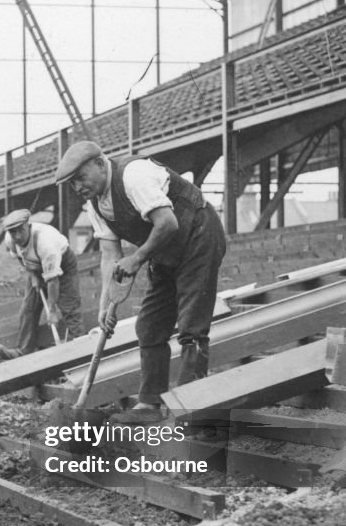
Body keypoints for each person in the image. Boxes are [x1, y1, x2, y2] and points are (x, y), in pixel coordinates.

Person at [54, 141, 226, 424]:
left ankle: (189, 411)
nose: (78, 188)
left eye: (81, 178)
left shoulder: (133, 176)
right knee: (148, 327)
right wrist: (105, 306)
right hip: (164, 251)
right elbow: (110, 256)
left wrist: (137, 259)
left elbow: (167, 223)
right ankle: (149, 404)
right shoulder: (96, 206)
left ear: (100, 164)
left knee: (191, 327)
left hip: (198, 236)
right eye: (72, 185)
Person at [0, 208, 83, 360]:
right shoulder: (10, 239)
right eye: (12, 232)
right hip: (34, 266)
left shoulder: (46, 243)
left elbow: (53, 280)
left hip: (62, 264)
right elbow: (19, 257)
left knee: (70, 307)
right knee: (28, 307)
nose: (17, 236)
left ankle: (78, 352)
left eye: (20, 231)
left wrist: (52, 310)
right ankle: (23, 351)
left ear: (28, 225)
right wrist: (32, 275)